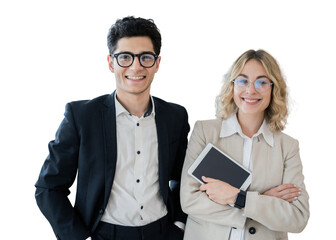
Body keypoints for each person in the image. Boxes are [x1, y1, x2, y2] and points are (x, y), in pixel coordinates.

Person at [35, 16, 189, 240]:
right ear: (111, 62)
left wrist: (179, 224)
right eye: (125, 57)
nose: (136, 66)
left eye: (145, 57)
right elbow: (48, 187)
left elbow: (182, 179)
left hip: (163, 232)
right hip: (104, 234)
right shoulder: (81, 117)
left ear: (157, 63)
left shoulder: (175, 117)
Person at [180, 49, 309, 240]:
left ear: (274, 88)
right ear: (232, 85)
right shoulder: (205, 132)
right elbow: (189, 200)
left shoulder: (287, 147)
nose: (250, 90)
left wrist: (236, 197)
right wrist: (261, 203)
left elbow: (298, 217)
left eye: (262, 82)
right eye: (243, 80)